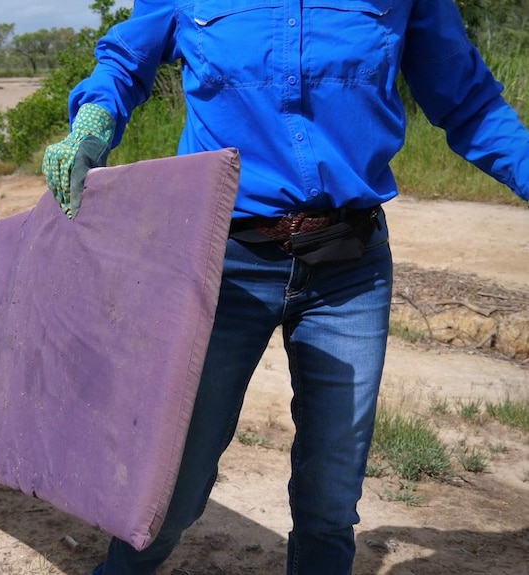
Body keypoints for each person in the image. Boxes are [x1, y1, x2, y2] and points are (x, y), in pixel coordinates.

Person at [42, 2, 529, 574]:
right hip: (216, 263)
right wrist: (93, 122)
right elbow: (127, 61)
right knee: (173, 478)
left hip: (348, 266)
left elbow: (468, 101)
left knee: (330, 499)